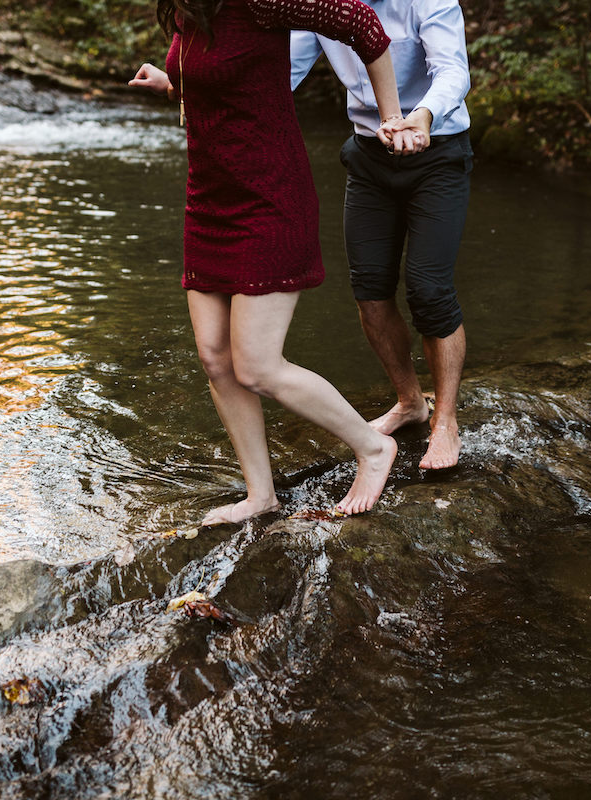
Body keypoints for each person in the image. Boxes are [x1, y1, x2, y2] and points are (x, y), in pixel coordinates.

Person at [129, 0, 422, 525]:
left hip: (269, 197)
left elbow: (362, 25)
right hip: (210, 199)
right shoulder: (183, 6)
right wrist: (169, 83)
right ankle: (260, 494)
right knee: (216, 358)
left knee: (258, 365)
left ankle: (373, 449)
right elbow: (216, 78)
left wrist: (392, 115)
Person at [291, 0, 473, 470]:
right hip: (369, 157)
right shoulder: (323, 8)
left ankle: (446, 422)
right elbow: (277, 74)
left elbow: (453, 69)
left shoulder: (427, 1)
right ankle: (411, 402)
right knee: (369, 289)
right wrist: (187, 85)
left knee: (430, 289)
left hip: (438, 153)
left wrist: (424, 115)